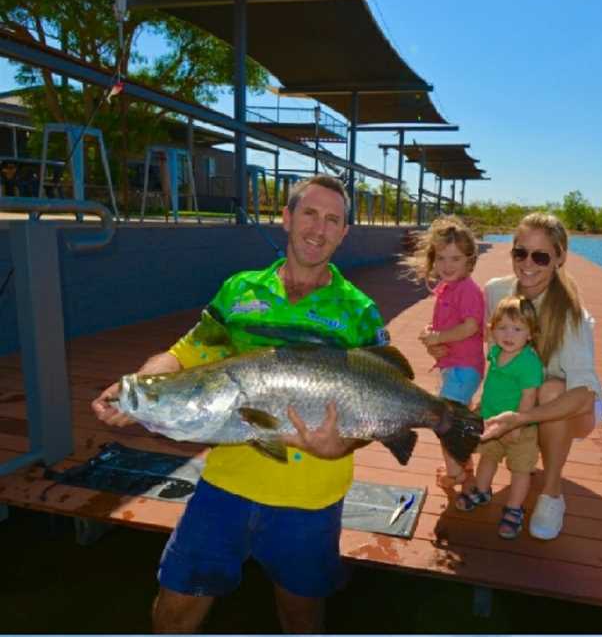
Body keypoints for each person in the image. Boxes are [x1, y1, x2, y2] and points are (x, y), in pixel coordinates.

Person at [91, 175, 388, 633]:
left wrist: (341, 447)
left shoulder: (361, 312)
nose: (318, 228)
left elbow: (374, 404)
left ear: (344, 231)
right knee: (175, 608)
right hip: (225, 487)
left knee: (300, 613)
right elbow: (181, 354)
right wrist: (135, 388)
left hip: (311, 498)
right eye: (309, 213)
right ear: (286, 218)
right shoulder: (239, 291)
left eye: (333, 219)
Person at [427, 212, 602, 541]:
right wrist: (438, 349)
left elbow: (585, 393)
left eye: (541, 256)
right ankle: (474, 473)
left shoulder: (572, 315)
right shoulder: (497, 292)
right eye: (520, 253)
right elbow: (474, 340)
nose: (528, 264)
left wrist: (522, 418)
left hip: (570, 409)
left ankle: (551, 493)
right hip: (513, 398)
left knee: (551, 390)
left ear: (560, 257)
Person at [400, 215, 485, 495]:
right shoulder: (447, 287)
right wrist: (431, 333)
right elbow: (447, 324)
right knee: (457, 418)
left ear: (469, 261)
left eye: (455, 259)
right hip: (454, 367)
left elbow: (471, 326)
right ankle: (464, 464)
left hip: (463, 369)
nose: (447, 266)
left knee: (445, 421)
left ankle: (455, 473)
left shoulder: (468, 290)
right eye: (442, 258)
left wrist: (439, 338)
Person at [455, 295, 544, 540]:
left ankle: (514, 509)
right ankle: (482, 490)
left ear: (530, 334)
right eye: (502, 327)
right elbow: (492, 383)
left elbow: (528, 395)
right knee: (488, 457)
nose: (509, 334)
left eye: (517, 329)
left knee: (520, 469)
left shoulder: (528, 362)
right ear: (493, 331)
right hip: (492, 421)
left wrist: (518, 422)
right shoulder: (495, 352)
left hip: (520, 427)